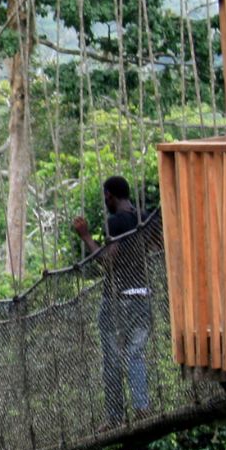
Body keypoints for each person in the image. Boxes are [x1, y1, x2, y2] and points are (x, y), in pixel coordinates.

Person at [71, 177, 151, 426]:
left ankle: (115, 417)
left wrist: (85, 236)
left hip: (118, 300)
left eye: (105, 196)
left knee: (113, 360)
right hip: (143, 296)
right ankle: (142, 407)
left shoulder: (115, 222)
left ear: (109, 195)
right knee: (136, 355)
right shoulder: (144, 218)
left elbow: (108, 261)